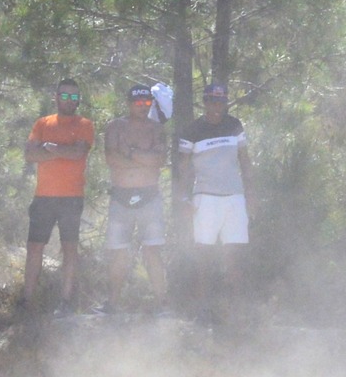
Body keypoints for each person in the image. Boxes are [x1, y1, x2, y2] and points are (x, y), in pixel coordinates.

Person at [175, 82, 254, 311]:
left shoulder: (234, 125)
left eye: (221, 102)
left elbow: (245, 160)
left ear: (225, 102)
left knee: (235, 254)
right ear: (205, 102)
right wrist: (183, 199)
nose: (216, 106)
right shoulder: (192, 130)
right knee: (204, 255)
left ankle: (235, 308)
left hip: (234, 197)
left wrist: (251, 193)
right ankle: (203, 307)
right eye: (212, 101)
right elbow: (183, 169)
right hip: (205, 198)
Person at [22, 79, 95, 311]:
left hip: (72, 198)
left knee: (69, 248)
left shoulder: (85, 124)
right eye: (65, 96)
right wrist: (62, 151)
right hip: (43, 196)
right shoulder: (42, 123)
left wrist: (51, 149)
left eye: (74, 97)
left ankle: (65, 300)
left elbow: (78, 153)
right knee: (34, 247)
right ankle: (27, 299)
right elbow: (30, 155)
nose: (69, 101)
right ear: (56, 96)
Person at [97, 84, 171, 310]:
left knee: (153, 252)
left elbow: (159, 161)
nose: (142, 106)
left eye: (147, 102)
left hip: (150, 196)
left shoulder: (156, 129)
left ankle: (162, 303)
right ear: (129, 104)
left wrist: (128, 152)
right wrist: (143, 159)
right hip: (121, 197)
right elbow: (111, 159)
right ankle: (113, 303)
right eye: (138, 103)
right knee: (119, 253)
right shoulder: (115, 127)